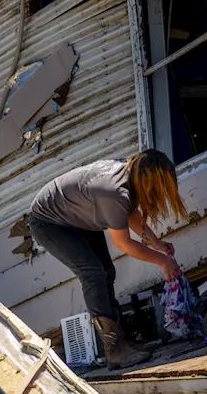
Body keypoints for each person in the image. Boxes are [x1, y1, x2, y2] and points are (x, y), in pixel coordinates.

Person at [28, 151, 185, 369]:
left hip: (78, 217)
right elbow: (124, 244)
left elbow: (130, 213)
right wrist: (162, 261)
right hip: (49, 222)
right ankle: (115, 351)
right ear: (148, 182)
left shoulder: (129, 178)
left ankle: (123, 343)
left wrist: (157, 243)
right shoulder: (114, 192)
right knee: (92, 273)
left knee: (106, 272)